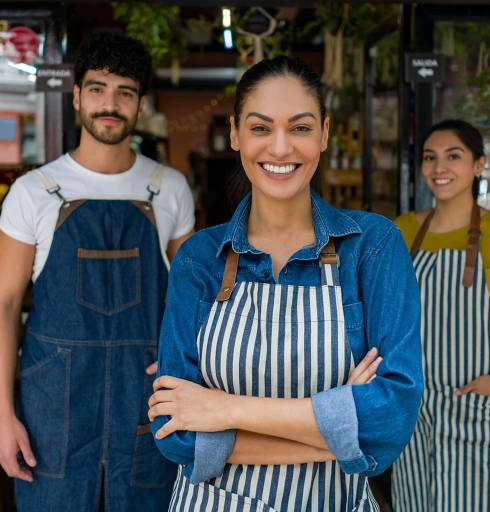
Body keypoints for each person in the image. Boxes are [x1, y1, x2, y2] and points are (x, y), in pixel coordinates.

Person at [146, 55, 423, 512]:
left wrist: (225, 409)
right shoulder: (199, 259)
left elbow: (390, 421)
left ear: (325, 134)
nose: (280, 148)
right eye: (260, 128)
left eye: (299, 127)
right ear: (235, 133)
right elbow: (175, 438)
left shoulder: (372, 247)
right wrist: (338, 436)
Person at [0, 32, 194, 511]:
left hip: (143, 402)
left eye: (125, 92)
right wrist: (2, 416)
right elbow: (1, 306)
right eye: (98, 89)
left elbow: (190, 300)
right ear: (77, 96)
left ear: (140, 104)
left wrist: (185, 359)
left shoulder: (170, 189)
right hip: (53, 409)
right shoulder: (34, 192)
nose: (110, 104)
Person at [391, 119, 490, 511]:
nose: (439, 167)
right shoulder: (398, 233)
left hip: (484, 412)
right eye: (430, 158)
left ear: (479, 165)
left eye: (453, 156)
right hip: (417, 415)